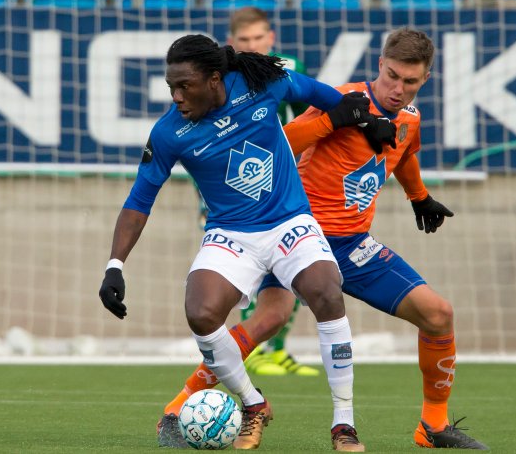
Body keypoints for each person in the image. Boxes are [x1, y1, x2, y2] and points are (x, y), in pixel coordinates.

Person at [157, 28, 488, 451]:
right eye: (391, 76)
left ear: (425, 80)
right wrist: (340, 118)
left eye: (409, 82)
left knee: (439, 315)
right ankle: (179, 404)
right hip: (295, 235)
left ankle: (433, 426)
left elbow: (404, 152)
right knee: (267, 321)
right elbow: (281, 139)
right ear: (380, 65)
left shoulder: (411, 117)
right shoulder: (343, 99)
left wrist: (419, 197)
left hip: (352, 244)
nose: (397, 89)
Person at [99, 34, 391, 450]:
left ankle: (343, 423)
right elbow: (139, 200)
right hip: (231, 233)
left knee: (327, 292)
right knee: (201, 313)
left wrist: (364, 121)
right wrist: (115, 265)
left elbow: (320, 93)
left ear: (215, 78)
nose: (177, 97)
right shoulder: (169, 132)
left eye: (185, 87)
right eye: (171, 88)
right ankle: (253, 404)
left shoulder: (261, 83)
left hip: (290, 221)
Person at [222, 6, 320, 377]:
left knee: (293, 263)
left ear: (271, 38)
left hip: (282, 184)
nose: (252, 46)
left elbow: (312, 113)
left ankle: (276, 348)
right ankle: (255, 347)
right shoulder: (224, 75)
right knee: (252, 267)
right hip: (237, 182)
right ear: (233, 43)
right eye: (244, 40)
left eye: (258, 38)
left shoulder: (286, 69)